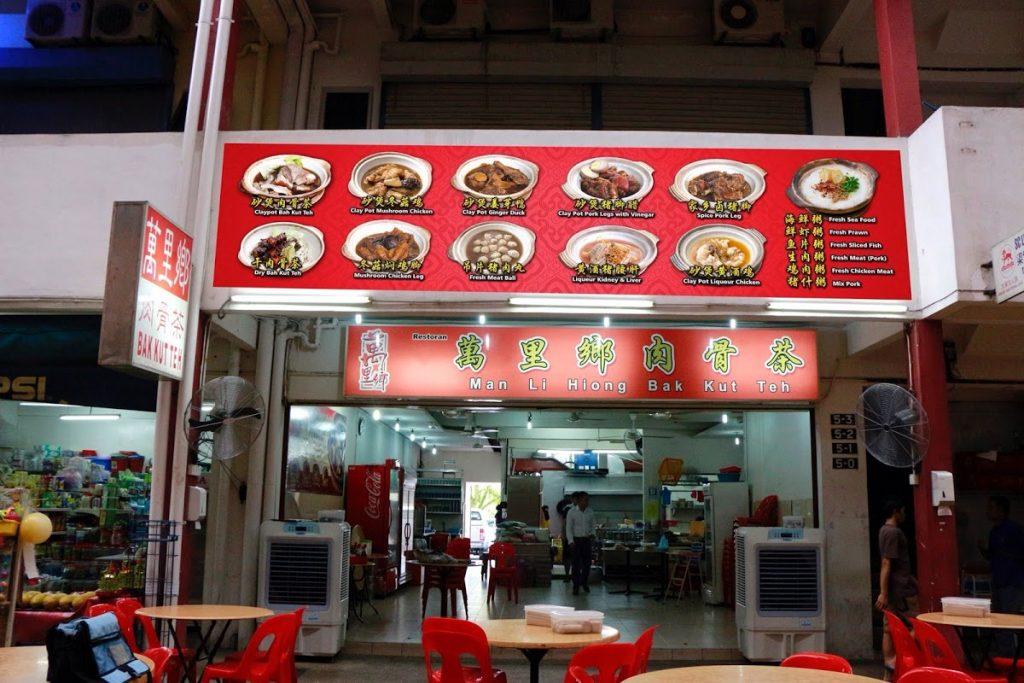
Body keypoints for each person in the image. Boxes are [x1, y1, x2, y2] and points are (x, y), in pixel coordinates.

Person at [875, 498, 918, 677]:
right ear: (895, 511)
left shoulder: (883, 530)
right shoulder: (894, 533)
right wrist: (883, 593)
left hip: (895, 588)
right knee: (916, 625)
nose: (905, 514)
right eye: (903, 510)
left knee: (888, 628)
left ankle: (890, 668)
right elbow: (887, 563)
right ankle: (905, 663)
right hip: (900, 590)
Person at [979, 496, 1024, 656]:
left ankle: (1011, 658)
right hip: (998, 582)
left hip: (1012, 582)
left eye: (991, 507)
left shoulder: (1014, 530)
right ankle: (1002, 655)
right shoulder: (994, 532)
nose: (988, 511)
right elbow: (992, 556)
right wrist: (982, 550)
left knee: (1008, 621)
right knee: (997, 620)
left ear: (1001, 510)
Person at [566, 491, 595, 595]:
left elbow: (593, 526)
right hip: (576, 541)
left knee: (587, 564)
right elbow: (568, 528)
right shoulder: (572, 512)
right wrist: (570, 541)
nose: (587, 502)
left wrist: (592, 534)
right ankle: (576, 585)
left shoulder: (590, 512)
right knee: (576, 565)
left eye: (588, 500)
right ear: (578, 501)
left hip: (586, 540)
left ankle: (584, 583)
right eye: (585, 500)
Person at [555, 494, 576, 583]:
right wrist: (563, 535)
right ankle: (567, 575)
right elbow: (564, 523)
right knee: (567, 557)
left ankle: (575, 575)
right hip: (568, 536)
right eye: (575, 499)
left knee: (576, 557)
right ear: (572, 499)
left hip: (578, 537)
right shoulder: (567, 509)